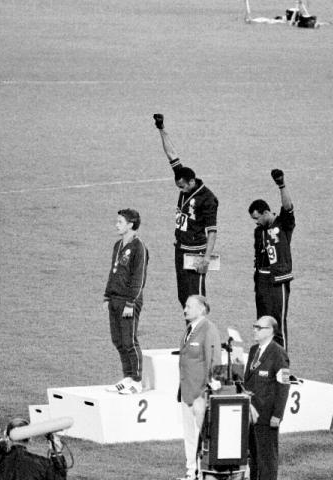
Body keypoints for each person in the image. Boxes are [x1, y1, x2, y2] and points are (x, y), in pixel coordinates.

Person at [154, 113, 219, 309]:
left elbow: (212, 231)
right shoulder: (183, 178)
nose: (181, 191)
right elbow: (171, 154)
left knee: (196, 298)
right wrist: (161, 128)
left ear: (191, 182)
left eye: (182, 187)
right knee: (183, 297)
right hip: (180, 250)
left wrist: (206, 258)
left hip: (195, 252)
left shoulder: (208, 199)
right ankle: (191, 327)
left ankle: (201, 328)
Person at [103, 208, 149, 395]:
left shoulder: (139, 247)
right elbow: (113, 271)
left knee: (129, 341)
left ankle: (137, 381)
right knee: (118, 341)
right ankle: (127, 377)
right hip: (114, 299)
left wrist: (131, 303)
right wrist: (107, 296)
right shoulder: (118, 245)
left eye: (120, 222)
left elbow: (139, 278)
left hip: (129, 301)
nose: (116, 225)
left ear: (130, 225)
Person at [248, 169, 295, 350]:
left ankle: (283, 362)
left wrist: (281, 185)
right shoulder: (258, 231)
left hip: (277, 280)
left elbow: (288, 207)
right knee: (262, 322)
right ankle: (265, 358)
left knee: (277, 323)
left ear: (266, 212)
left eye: (257, 218)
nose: (256, 222)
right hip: (261, 280)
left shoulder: (283, 224)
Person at [176, 295, 222, 480]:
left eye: (189, 306)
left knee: (202, 436)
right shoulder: (190, 329)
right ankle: (191, 472)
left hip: (200, 394)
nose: (185, 310)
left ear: (202, 309)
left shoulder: (209, 329)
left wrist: (208, 391)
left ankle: (202, 472)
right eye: (185, 306)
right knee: (189, 434)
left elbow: (215, 362)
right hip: (187, 391)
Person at [243, 316, 290, 480]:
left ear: (270, 331)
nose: (254, 330)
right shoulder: (253, 350)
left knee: (267, 458)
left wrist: (277, 415)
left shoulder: (278, 353)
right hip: (251, 413)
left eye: (259, 328)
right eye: (254, 326)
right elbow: (248, 380)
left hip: (267, 415)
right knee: (254, 457)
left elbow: (284, 386)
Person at [0, 418, 67, 480]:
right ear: (30, 438)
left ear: (7, 437)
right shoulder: (43, 464)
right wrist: (57, 453)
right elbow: (59, 477)